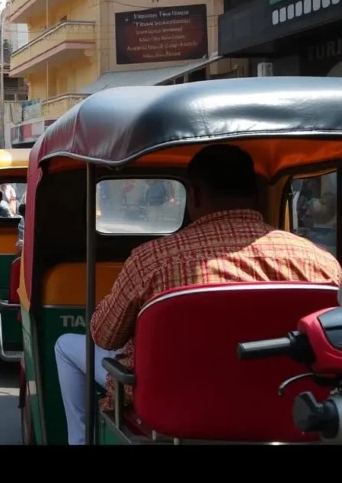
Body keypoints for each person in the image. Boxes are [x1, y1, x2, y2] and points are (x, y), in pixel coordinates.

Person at [54, 144, 342, 445]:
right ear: (255, 194)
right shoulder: (321, 263)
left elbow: (103, 336)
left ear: (195, 195)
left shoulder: (152, 261)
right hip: (295, 411)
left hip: (173, 412)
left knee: (66, 346)